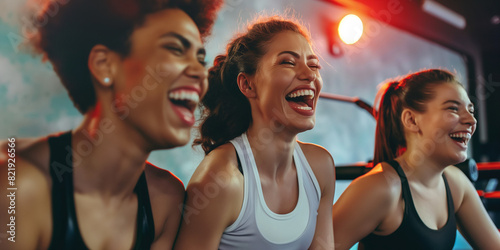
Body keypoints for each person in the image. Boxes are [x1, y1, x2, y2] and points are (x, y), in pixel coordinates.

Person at [0, 0, 221, 249]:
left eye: (200, 60)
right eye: (175, 49)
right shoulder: (17, 185)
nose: (200, 73)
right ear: (104, 65)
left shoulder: (165, 202)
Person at [174, 16, 336, 250]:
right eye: (288, 62)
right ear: (247, 85)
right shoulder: (222, 179)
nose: (309, 75)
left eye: (313, 65)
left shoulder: (320, 167)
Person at [332, 69, 500, 249]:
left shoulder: (455, 183)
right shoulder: (381, 188)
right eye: (453, 108)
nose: (471, 120)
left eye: (471, 110)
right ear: (411, 120)